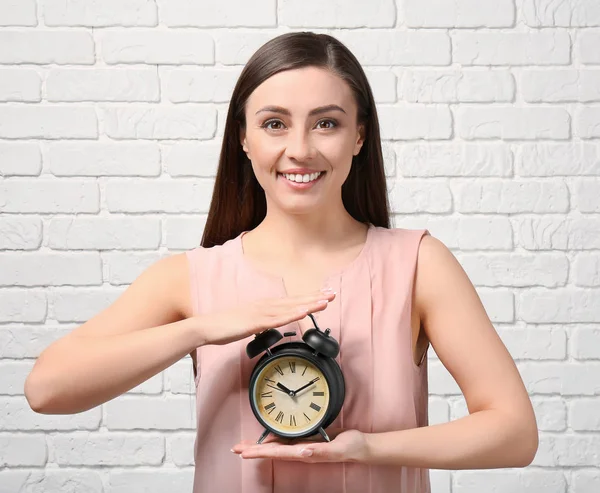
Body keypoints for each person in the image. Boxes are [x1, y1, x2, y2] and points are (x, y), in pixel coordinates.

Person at [24, 31, 538, 493]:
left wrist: (369, 448)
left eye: (326, 124)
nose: (299, 149)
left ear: (359, 136)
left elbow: (514, 434)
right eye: (274, 124)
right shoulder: (190, 277)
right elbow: (47, 390)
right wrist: (201, 329)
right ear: (243, 139)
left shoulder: (418, 263)